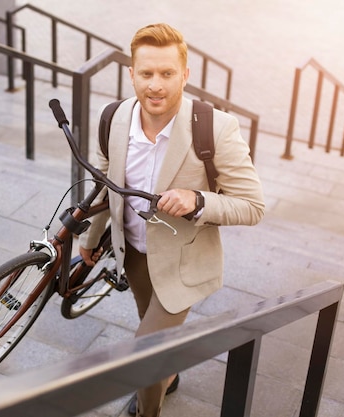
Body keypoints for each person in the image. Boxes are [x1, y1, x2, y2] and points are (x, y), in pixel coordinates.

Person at [78, 23, 265, 417]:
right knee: (155, 337)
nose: (156, 85)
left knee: (143, 355)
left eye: (167, 73)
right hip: (134, 255)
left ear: (185, 74)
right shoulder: (114, 117)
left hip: (183, 265)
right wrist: (92, 237)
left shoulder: (216, 127)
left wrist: (198, 200)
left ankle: (149, 412)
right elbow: (104, 181)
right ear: (131, 74)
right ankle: (170, 376)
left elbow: (252, 206)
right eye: (146, 74)